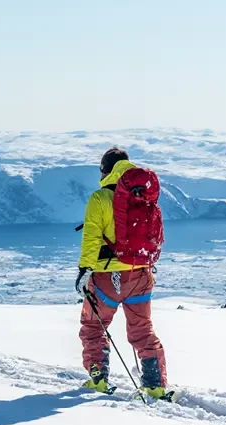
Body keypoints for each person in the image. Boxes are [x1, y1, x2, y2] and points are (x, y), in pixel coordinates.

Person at [75, 147, 169, 400]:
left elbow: (92, 236)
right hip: (141, 274)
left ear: (105, 170)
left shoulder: (100, 198)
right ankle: (155, 385)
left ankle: (98, 379)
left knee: (94, 326)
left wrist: (84, 269)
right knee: (142, 329)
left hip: (108, 277)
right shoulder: (143, 195)